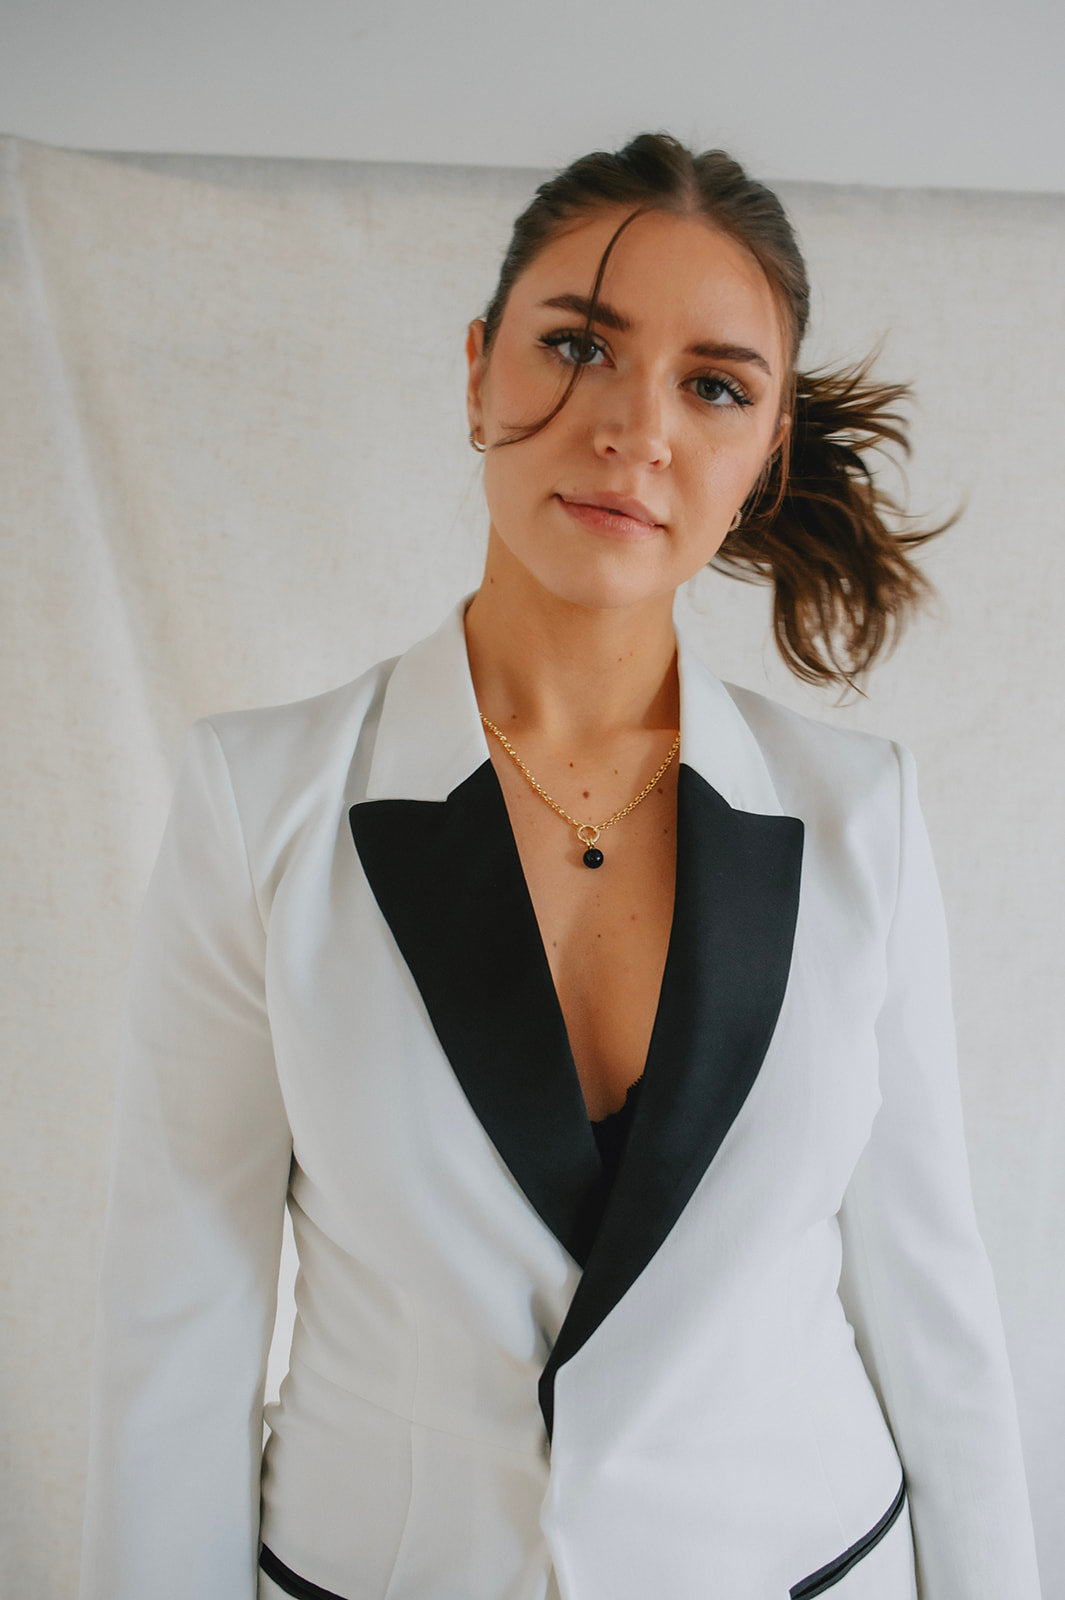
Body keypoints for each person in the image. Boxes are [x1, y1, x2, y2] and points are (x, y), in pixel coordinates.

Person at [79, 133, 1042, 1600]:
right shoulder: (257, 801)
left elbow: (933, 1311)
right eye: (579, 347)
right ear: (478, 372)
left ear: (767, 450)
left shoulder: (865, 819)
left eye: (713, 386)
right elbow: (179, 1319)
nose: (633, 429)